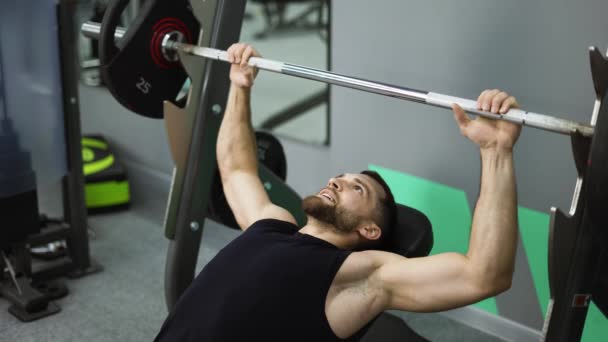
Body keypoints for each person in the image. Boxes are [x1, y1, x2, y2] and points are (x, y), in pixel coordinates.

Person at [154, 43, 522, 341]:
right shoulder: (271, 223)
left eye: (355, 187)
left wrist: (495, 152)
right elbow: (235, 170)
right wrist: (240, 86)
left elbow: (484, 275)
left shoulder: (357, 276)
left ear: (370, 230)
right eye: (341, 176)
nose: (336, 181)